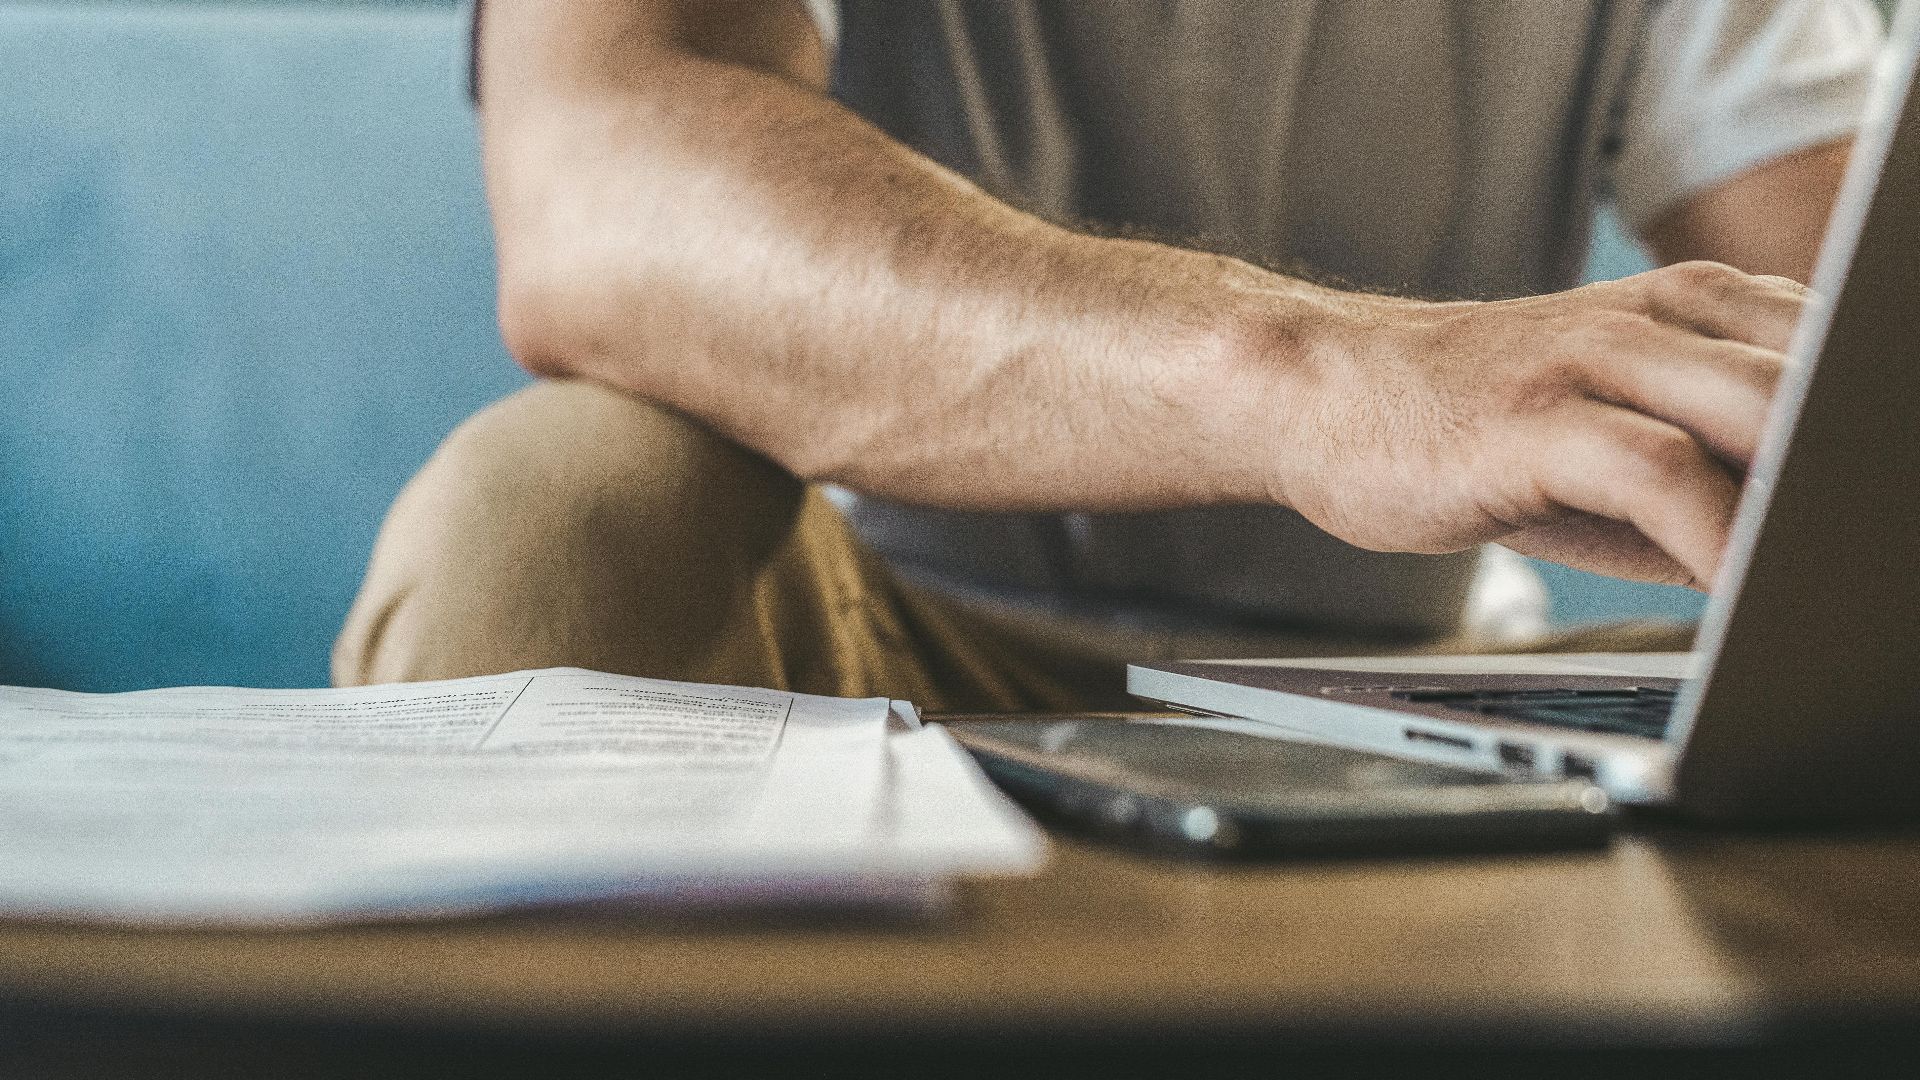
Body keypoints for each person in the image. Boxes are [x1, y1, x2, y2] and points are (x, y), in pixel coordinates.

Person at [334, 0, 1887, 710]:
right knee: (555, 517)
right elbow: (598, 192)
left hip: (1443, 693)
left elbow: (1860, 320)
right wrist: (1328, 384)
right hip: (883, 665)